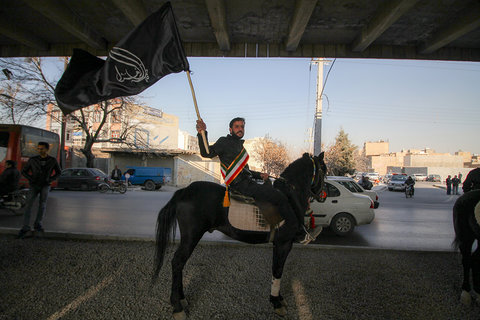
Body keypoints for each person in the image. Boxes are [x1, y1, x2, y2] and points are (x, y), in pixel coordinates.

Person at [196, 117, 319, 244]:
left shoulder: (240, 146)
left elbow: (245, 171)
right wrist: (202, 133)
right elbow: (206, 153)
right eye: (237, 126)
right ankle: (299, 234)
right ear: (230, 129)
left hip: (247, 182)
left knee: (270, 190)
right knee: (279, 196)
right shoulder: (224, 142)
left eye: (242, 127)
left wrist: (259, 175)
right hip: (240, 185)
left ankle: (272, 226)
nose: (240, 129)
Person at [18, 142, 61, 238]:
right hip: (34, 184)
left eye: (41, 148)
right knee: (29, 205)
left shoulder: (52, 160)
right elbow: (24, 171)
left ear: (46, 149)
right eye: (38, 148)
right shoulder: (33, 160)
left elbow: (59, 172)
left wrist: (50, 179)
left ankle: (38, 224)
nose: (39, 150)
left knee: (42, 205)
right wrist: (31, 178)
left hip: (45, 185)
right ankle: (26, 227)